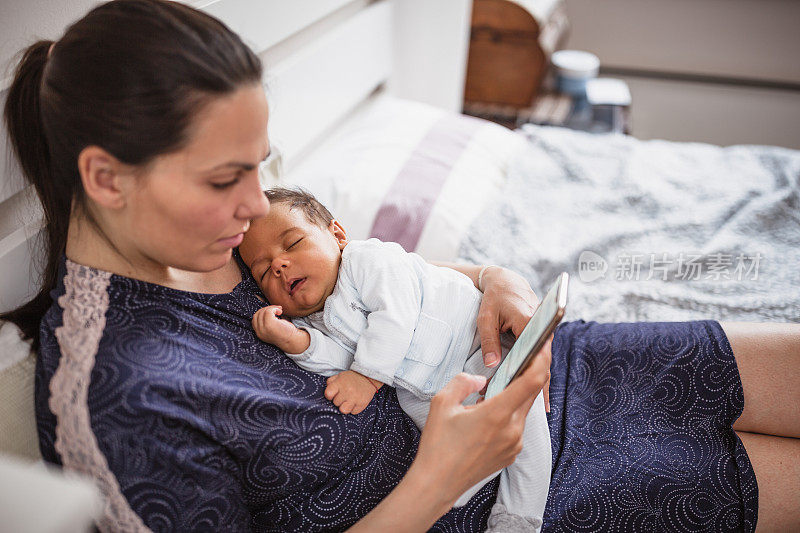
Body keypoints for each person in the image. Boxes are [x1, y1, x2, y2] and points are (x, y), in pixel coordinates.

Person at [1, 0, 798, 531]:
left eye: (259, 166)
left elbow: (377, 278)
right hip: (500, 501)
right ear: (106, 179)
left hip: (529, 369)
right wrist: (439, 477)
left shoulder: (215, 239)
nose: (254, 207)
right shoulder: (117, 400)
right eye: (223, 180)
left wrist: (492, 280)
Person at [238, 188, 551, 531]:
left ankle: (520, 517)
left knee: (525, 417)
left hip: (478, 347)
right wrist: (298, 342)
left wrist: (367, 378)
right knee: (443, 441)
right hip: (420, 388)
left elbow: (396, 318)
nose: (279, 265)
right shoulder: (308, 320)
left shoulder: (367, 261)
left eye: (293, 243)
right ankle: (465, 483)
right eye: (263, 271)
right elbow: (341, 362)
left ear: (337, 235)